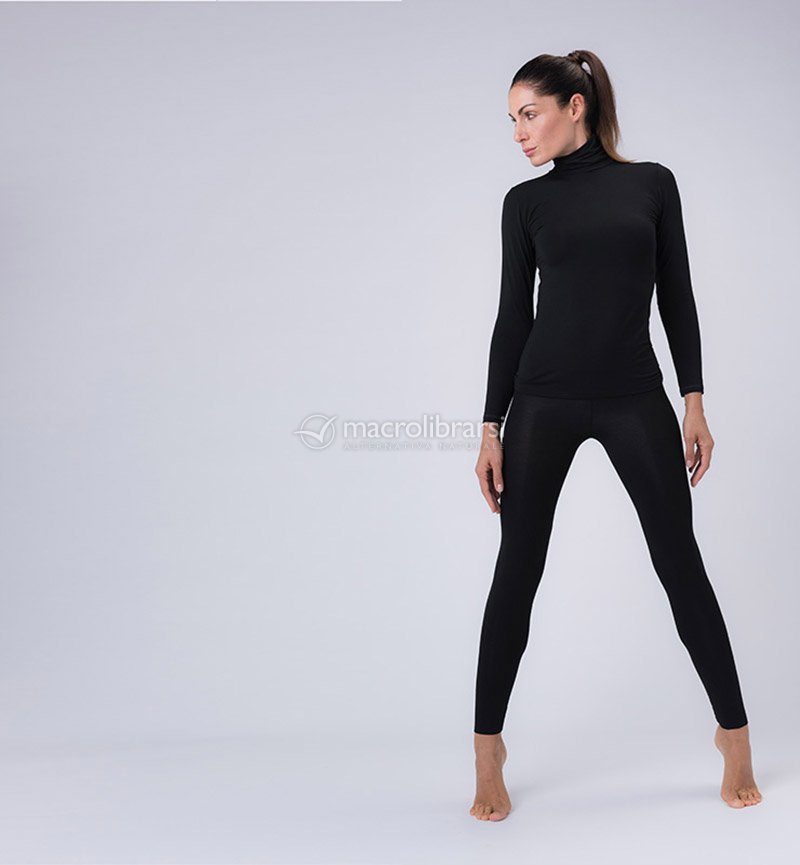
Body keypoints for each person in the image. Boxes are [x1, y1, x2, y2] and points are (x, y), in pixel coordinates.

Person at [471, 50, 762, 821]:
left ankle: (734, 738)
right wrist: (491, 425)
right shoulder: (523, 204)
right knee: (516, 572)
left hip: (635, 398)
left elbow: (678, 296)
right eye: (512, 120)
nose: (518, 132)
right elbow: (512, 317)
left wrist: (694, 400)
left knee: (680, 563)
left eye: (529, 114)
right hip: (542, 402)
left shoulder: (652, 185)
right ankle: (487, 752)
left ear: (575, 106)